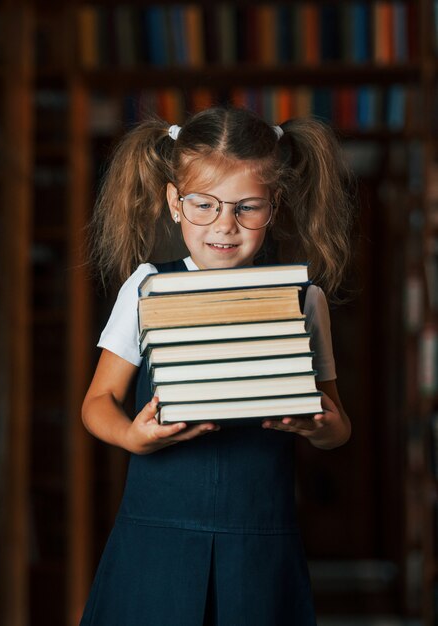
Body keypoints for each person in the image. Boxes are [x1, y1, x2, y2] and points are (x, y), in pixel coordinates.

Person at [79, 106, 353, 626]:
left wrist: (319, 425)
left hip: (260, 541)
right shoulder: (145, 287)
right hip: (155, 535)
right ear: (174, 204)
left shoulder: (302, 296)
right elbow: (98, 403)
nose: (224, 226)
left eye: (247, 207)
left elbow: (337, 426)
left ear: (274, 205)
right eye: (203, 205)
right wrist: (132, 437)